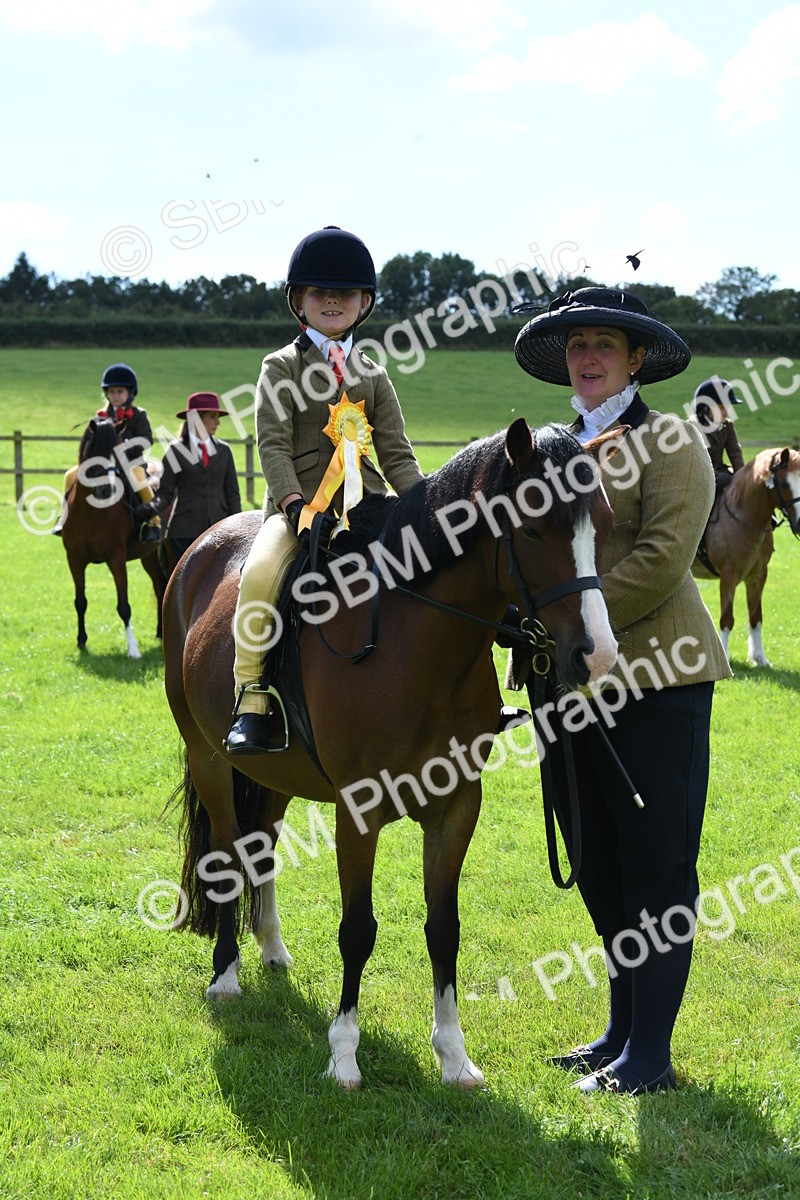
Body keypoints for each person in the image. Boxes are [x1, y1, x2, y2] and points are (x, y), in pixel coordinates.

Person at [513, 287, 732, 1095]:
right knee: (598, 862)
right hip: (565, 690)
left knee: (656, 865)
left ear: (636, 360)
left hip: (658, 681)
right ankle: (619, 1030)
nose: (588, 357)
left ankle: (651, 1054)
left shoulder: (672, 441)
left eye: (604, 344)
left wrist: (571, 622)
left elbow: (665, 557)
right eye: (578, 346)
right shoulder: (550, 448)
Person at [224, 226, 426, 754]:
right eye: (319, 292)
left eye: (345, 293)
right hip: (299, 509)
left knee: (438, 564)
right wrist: (294, 505)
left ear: (364, 303)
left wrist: (427, 505)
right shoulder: (280, 367)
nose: (332, 301)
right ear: (299, 301)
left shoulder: (374, 375)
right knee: (261, 575)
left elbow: (396, 452)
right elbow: (272, 444)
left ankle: (450, 694)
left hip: (368, 505)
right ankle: (252, 698)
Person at [53, 362, 160, 541]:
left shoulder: (139, 415)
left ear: (130, 393)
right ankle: (64, 516)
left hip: (130, 463)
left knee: (139, 477)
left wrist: (125, 445)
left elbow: (146, 439)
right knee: (70, 475)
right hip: (103, 464)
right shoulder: (100, 417)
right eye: (112, 392)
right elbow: (90, 441)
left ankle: (153, 522)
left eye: (120, 391)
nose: (115, 395)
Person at [134, 392, 241, 569]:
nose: (218, 422)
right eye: (213, 416)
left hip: (220, 531)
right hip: (184, 533)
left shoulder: (224, 451)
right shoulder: (175, 452)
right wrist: (149, 508)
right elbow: (165, 494)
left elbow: (233, 495)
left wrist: (238, 528)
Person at [687, 377, 745, 496]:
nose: (726, 413)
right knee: (725, 480)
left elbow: (735, 452)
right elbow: (697, 461)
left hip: (720, 472)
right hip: (699, 475)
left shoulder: (727, 425)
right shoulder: (692, 427)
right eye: (722, 408)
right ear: (706, 407)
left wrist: (742, 476)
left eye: (728, 408)